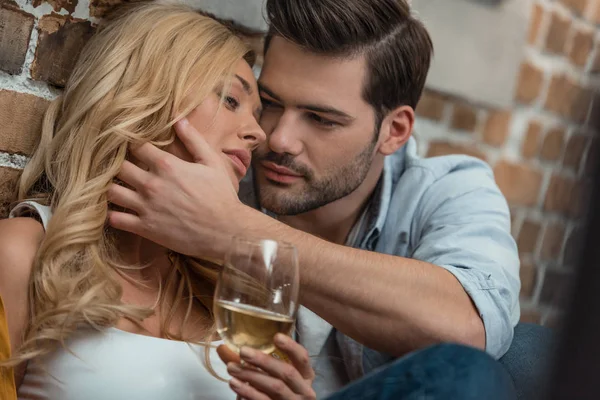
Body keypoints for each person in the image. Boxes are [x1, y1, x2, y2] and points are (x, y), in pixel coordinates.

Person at [106, 0, 550, 398]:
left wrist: (231, 230)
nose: (277, 138)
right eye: (272, 102)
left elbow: (465, 328)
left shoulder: (446, 190)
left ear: (394, 131)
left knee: (534, 354)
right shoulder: (224, 173)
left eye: (321, 119)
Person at [0, 3, 318, 399]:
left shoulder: (232, 293)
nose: (259, 134)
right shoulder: (23, 253)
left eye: (256, 115)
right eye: (231, 101)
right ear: (146, 94)